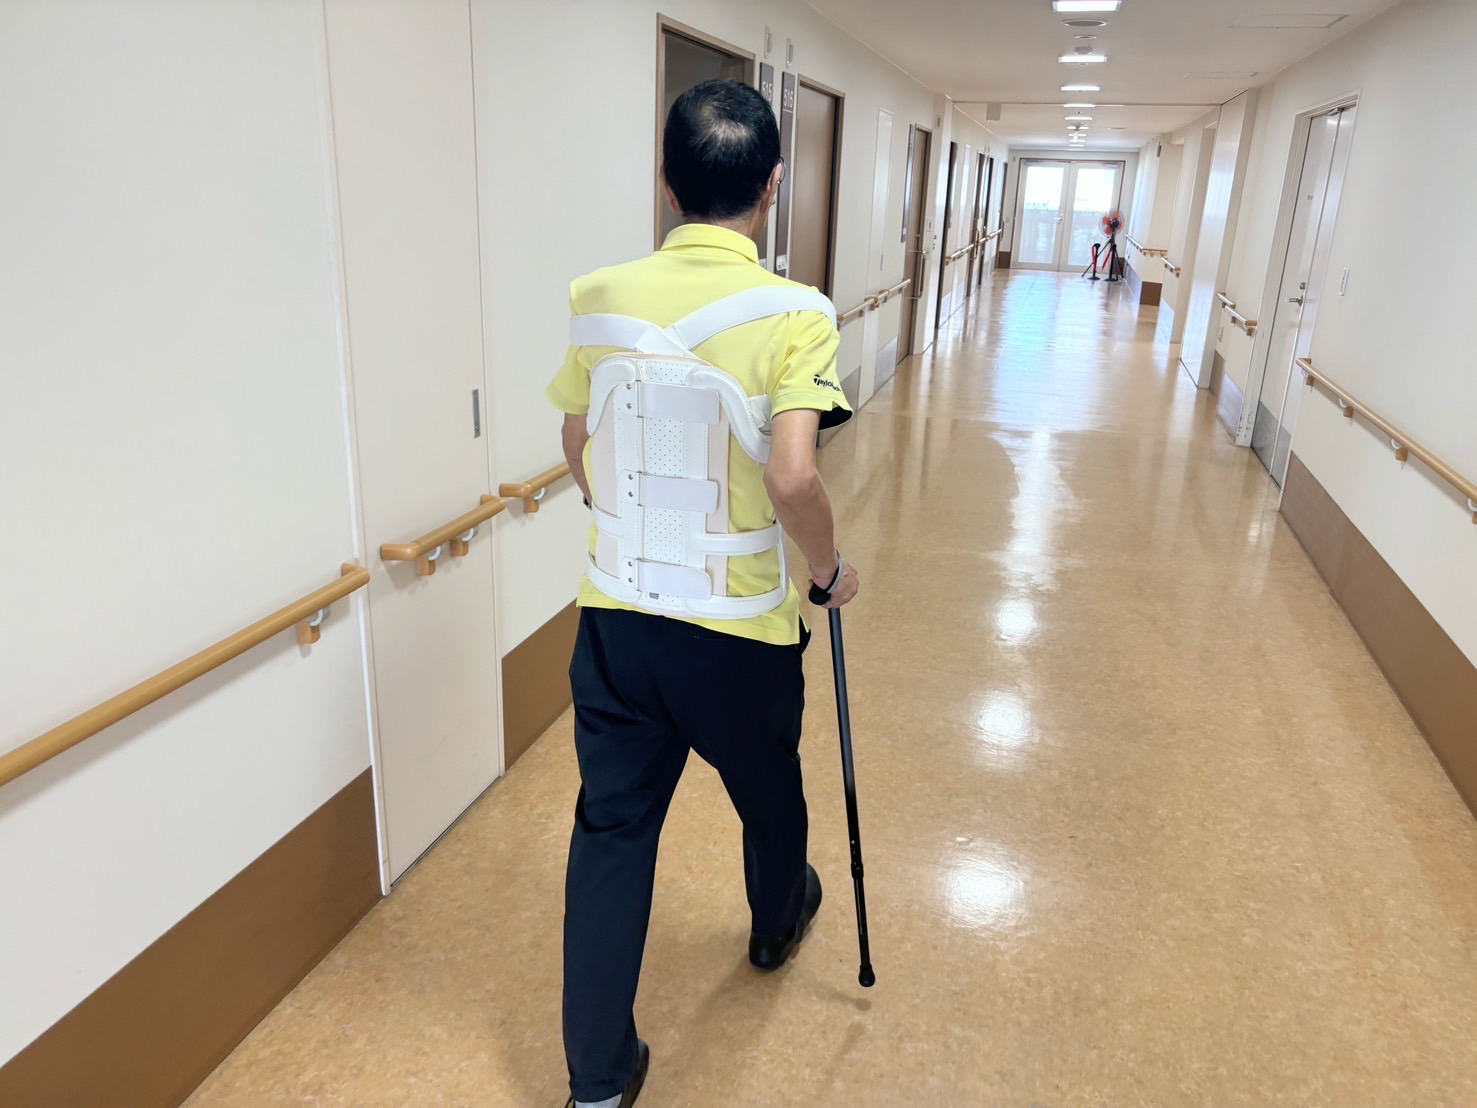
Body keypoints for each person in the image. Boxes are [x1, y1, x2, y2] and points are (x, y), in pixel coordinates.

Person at [544, 78, 860, 1108]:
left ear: (666, 181)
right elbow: (793, 477)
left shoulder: (598, 295)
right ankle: (776, 921)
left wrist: (629, 528)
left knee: (611, 831)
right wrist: (827, 572)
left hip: (617, 623)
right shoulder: (797, 313)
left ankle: (598, 1081)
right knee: (768, 794)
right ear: (772, 186)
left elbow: (576, 438)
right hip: (737, 635)